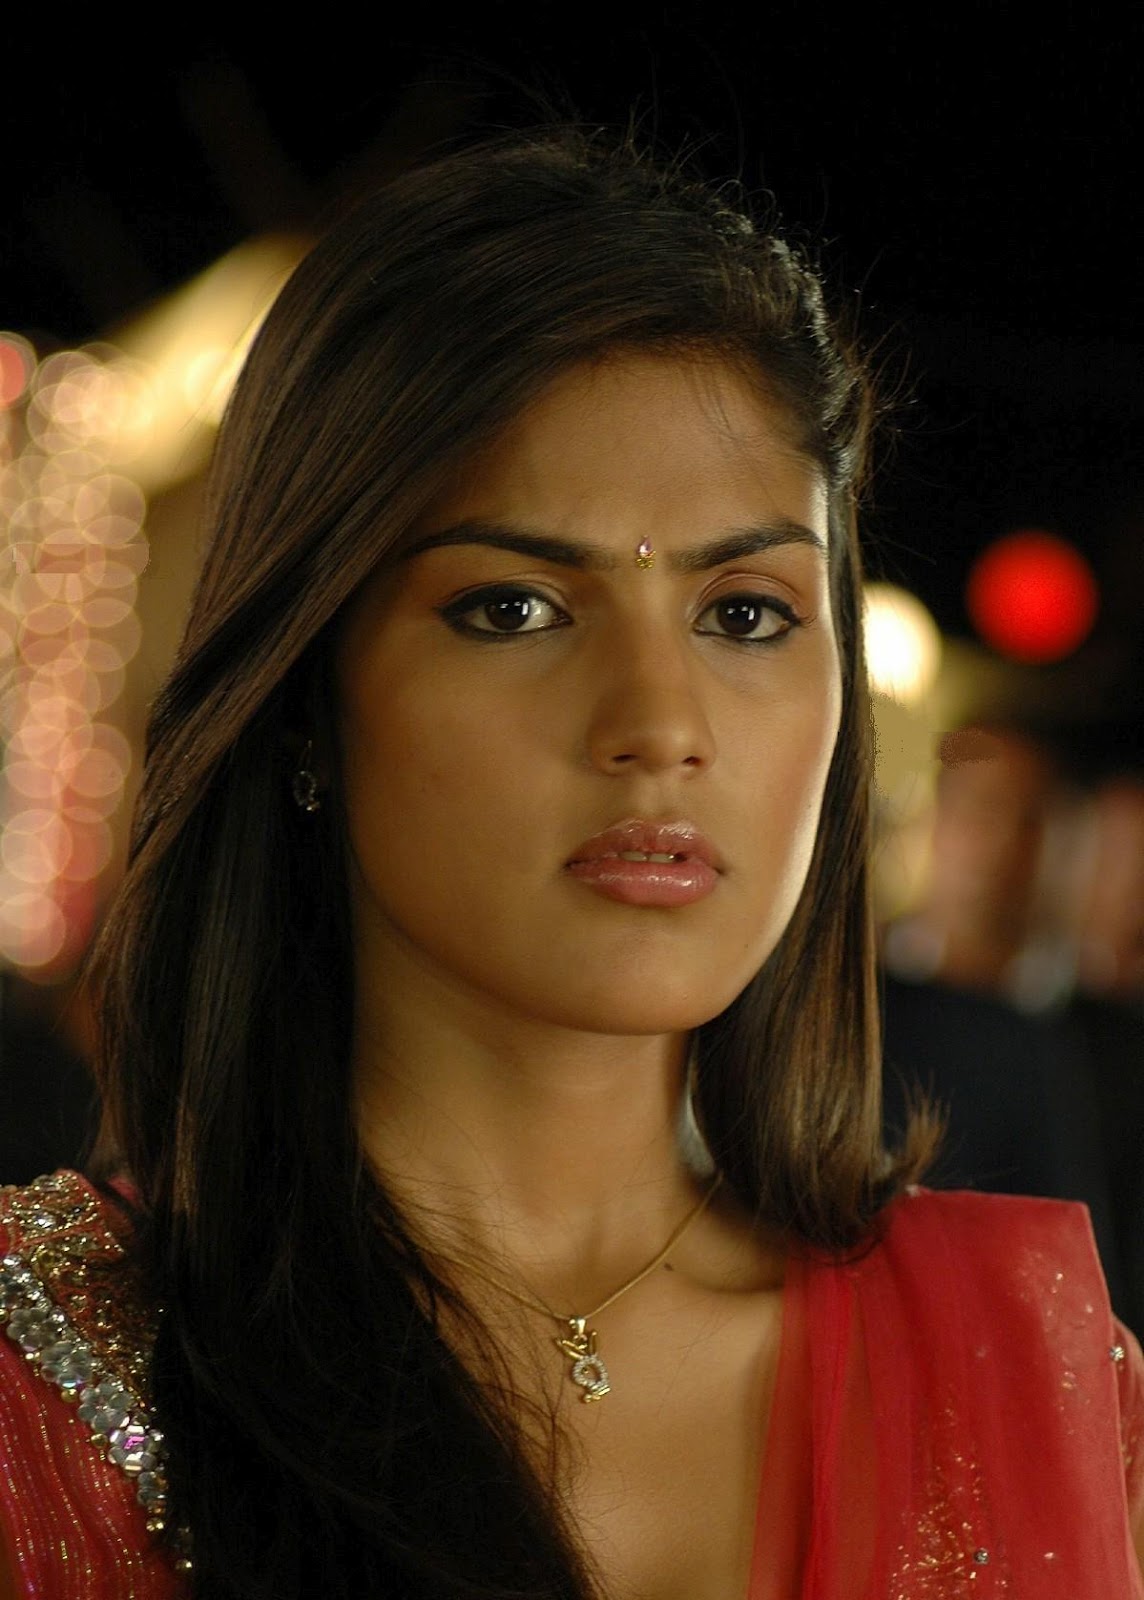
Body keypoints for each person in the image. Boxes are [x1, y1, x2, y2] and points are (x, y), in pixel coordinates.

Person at [1, 129, 1141, 1600]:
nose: (661, 725)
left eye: (745, 615)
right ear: (302, 698)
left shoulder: (1039, 1378)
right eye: (515, 609)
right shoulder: (48, 1394)